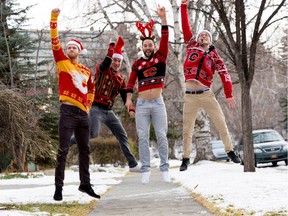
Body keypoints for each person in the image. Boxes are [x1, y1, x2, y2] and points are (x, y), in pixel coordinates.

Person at [179, 0, 240, 172]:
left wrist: (229, 94)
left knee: (221, 123)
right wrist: (184, 7)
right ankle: (185, 158)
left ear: (210, 40)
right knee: (187, 128)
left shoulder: (215, 57)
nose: (202, 37)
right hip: (190, 95)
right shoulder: (191, 45)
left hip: (206, 95)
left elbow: (225, 75)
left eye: (206, 35)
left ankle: (230, 151)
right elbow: (185, 27)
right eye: (200, 35)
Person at [50, 8, 100, 201]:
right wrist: (54, 19)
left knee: (85, 150)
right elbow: (54, 40)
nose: (70, 50)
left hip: (82, 114)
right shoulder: (62, 62)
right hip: (67, 111)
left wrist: (87, 107)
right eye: (68, 47)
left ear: (79, 51)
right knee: (63, 149)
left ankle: (85, 184)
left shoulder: (86, 70)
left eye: (73, 48)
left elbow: (91, 89)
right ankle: (58, 188)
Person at [70, 36, 140, 172]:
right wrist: (112, 45)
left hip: (109, 111)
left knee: (122, 135)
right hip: (95, 108)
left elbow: (126, 96)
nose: (117, 63)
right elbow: (106, 62)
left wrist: (131, 108)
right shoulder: (102, 69)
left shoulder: (121, 78)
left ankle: (132, 164)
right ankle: (67, 142)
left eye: (119, 61)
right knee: (92, 133)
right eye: (115, 60)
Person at [125, 5, 170, 184]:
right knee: (143, 136)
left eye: (151, 44)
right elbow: (130, 83)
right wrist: (129, 100)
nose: (148, 47)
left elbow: (166, 37)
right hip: (142, 104)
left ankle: (165, 168)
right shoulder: (137, 64)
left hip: (158, 103)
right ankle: (145, 169)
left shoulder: (161, 57)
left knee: (161, 135)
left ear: (154, 45)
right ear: (142, 47)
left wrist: (163, 18)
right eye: (145, 45)